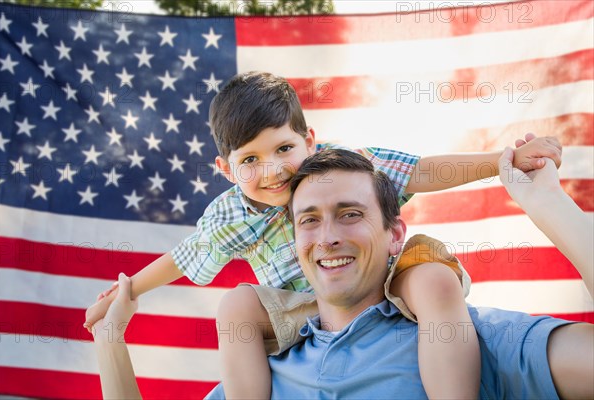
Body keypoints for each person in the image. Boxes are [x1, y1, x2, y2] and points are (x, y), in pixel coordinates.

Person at [85, 71, 563, 399]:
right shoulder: (230, 215)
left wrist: (502, 162)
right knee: (236, 307)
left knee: (433, 281)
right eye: (249, 160)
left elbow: (421, 172)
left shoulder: (343, 168)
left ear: (310, 141)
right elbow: (184, 257)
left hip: (381, 277)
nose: (272, 170)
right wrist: (126, 291)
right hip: (304, 307)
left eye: (283, 148)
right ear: (225, 171)